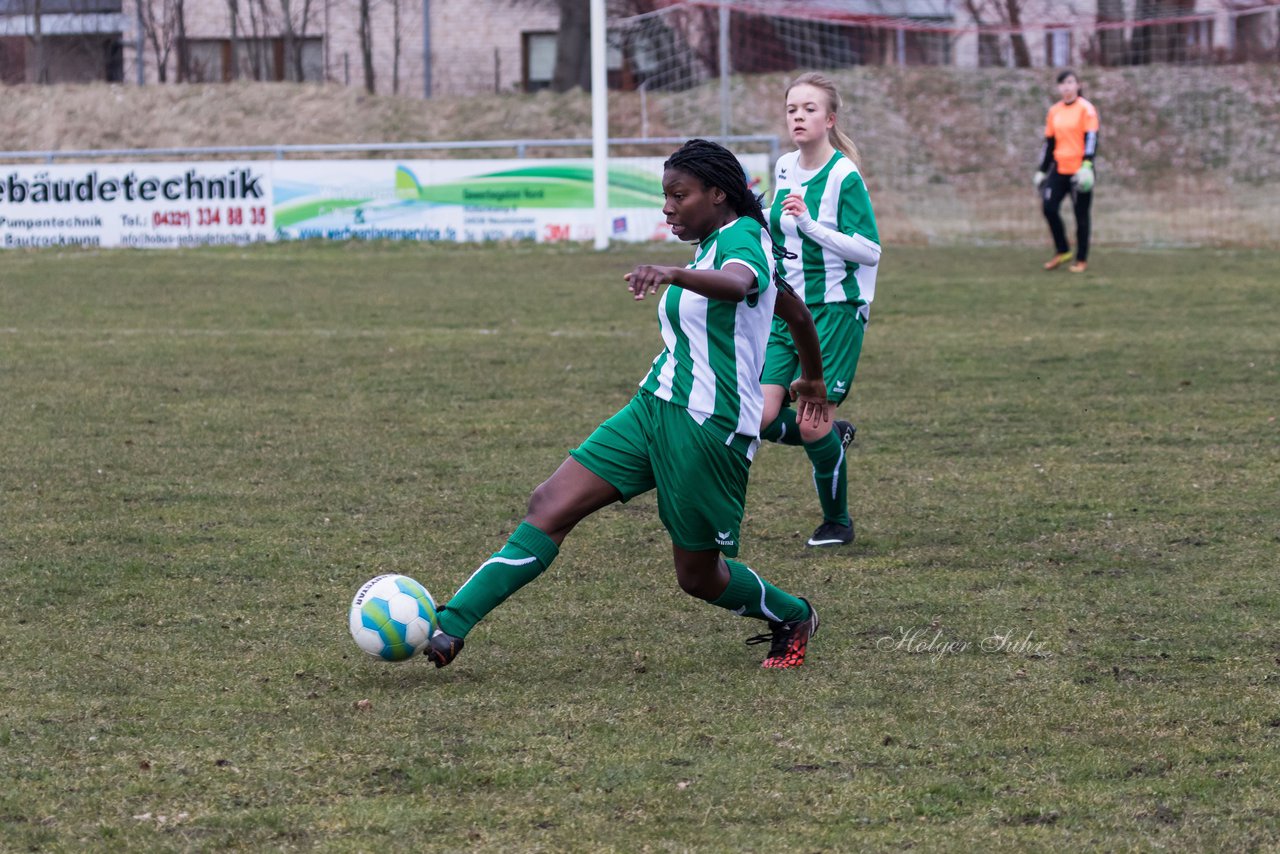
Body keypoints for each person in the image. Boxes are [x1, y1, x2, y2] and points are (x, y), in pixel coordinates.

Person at [425, 139, 831, 671]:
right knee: (548, 504)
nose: (667, 207)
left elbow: (738, 285)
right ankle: (450, 625)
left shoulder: (745, 239)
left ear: (717, 193)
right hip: (652, 406)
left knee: (698, 577)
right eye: (665, 196)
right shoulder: (712, 244)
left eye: (678, 195)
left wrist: (671, 273)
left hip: (708, 427)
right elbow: (796, 314)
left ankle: (792, 614)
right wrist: (813, 380)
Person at [759, 72, 882, 549]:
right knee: (760, 417)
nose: (799, 116)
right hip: (786, 310)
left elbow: (869, 250)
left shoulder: (843, 176)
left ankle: (838, 522)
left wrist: (811, 225)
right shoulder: (785, 166)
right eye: (792, 109)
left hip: (834, 310)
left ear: (830, 119)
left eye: (810, 109)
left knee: (811, 427)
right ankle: (834, 433)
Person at [1035, 69, 1099, 274]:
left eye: (1071, 82)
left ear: (1078, 85)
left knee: (1081, 215)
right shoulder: (1055, 111)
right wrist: (1042, 170)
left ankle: (1081, 259)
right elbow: (1049, 143)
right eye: (1063, 83)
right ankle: (1062, 250)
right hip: (1059, 169)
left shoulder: (1086, 109)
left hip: (1080, 171)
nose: (1067, 86)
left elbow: (1091, 138)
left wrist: (1087, 165)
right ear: (1059, 87)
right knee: (1048, 207)